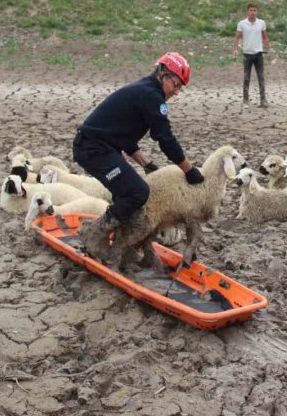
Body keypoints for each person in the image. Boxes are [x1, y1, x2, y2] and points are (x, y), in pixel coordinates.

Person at [72, 52, 204, 263]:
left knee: (126, 191)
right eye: (176, 84)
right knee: (137, 192)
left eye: (180, 87)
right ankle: (93, 235)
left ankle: (122, 244)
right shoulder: (152, 96)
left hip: (103, 147)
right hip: (93, 149)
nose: (176, 91)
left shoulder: (145, 90)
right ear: (163, 73)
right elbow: (165, 139)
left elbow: (125, 137)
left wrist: (147, 164)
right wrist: (189, 170)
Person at [233, 2, 270, 108]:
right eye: (251, 10)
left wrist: (267, 49)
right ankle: (245, 100)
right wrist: (235, 49)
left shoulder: (261, 23)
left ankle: (263, 100)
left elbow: (265, 36)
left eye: (254, 10)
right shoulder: (242, 23)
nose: (252, 12)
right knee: (246, 77)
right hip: (247, 54)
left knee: (261, 77)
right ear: (248, 11)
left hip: (258, 54)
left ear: (256, 11)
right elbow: (237, 37)